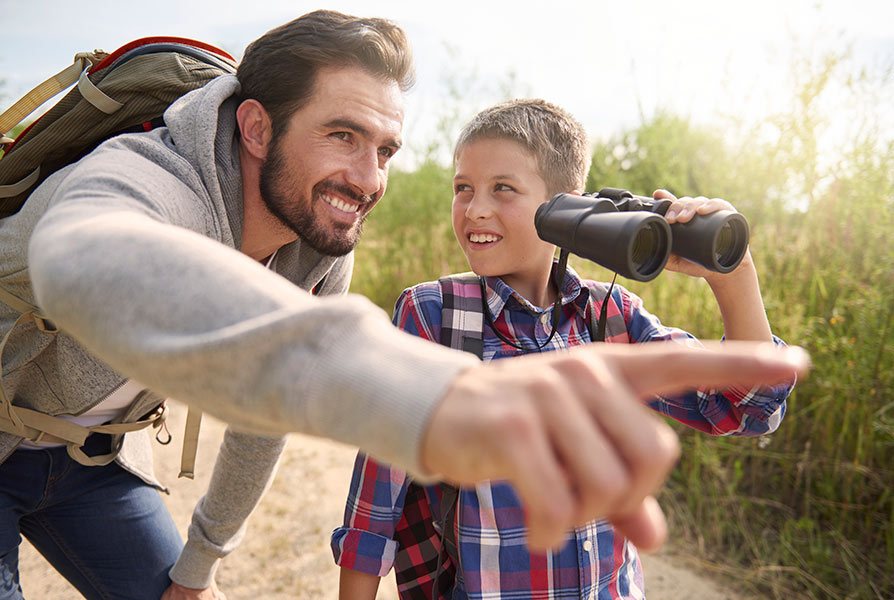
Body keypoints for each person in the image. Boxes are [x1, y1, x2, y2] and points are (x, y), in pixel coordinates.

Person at [0, 10, 807, 600]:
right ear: (254, 126)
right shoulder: (146, 176)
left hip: (92, 465)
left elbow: (262, 415)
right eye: (342, 136)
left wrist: (199, 566)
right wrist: (433, 389)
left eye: (385, 148)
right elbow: (80, 257)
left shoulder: (317, 249)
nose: (369, 177)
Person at [331, 99, 797, 599]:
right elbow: (376, 504)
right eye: (462, 188)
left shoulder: (611, 315)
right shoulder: (433, 313)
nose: (475, 209)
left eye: (502, 188)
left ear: (565, 208)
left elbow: (747, 410)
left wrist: (733, 274)